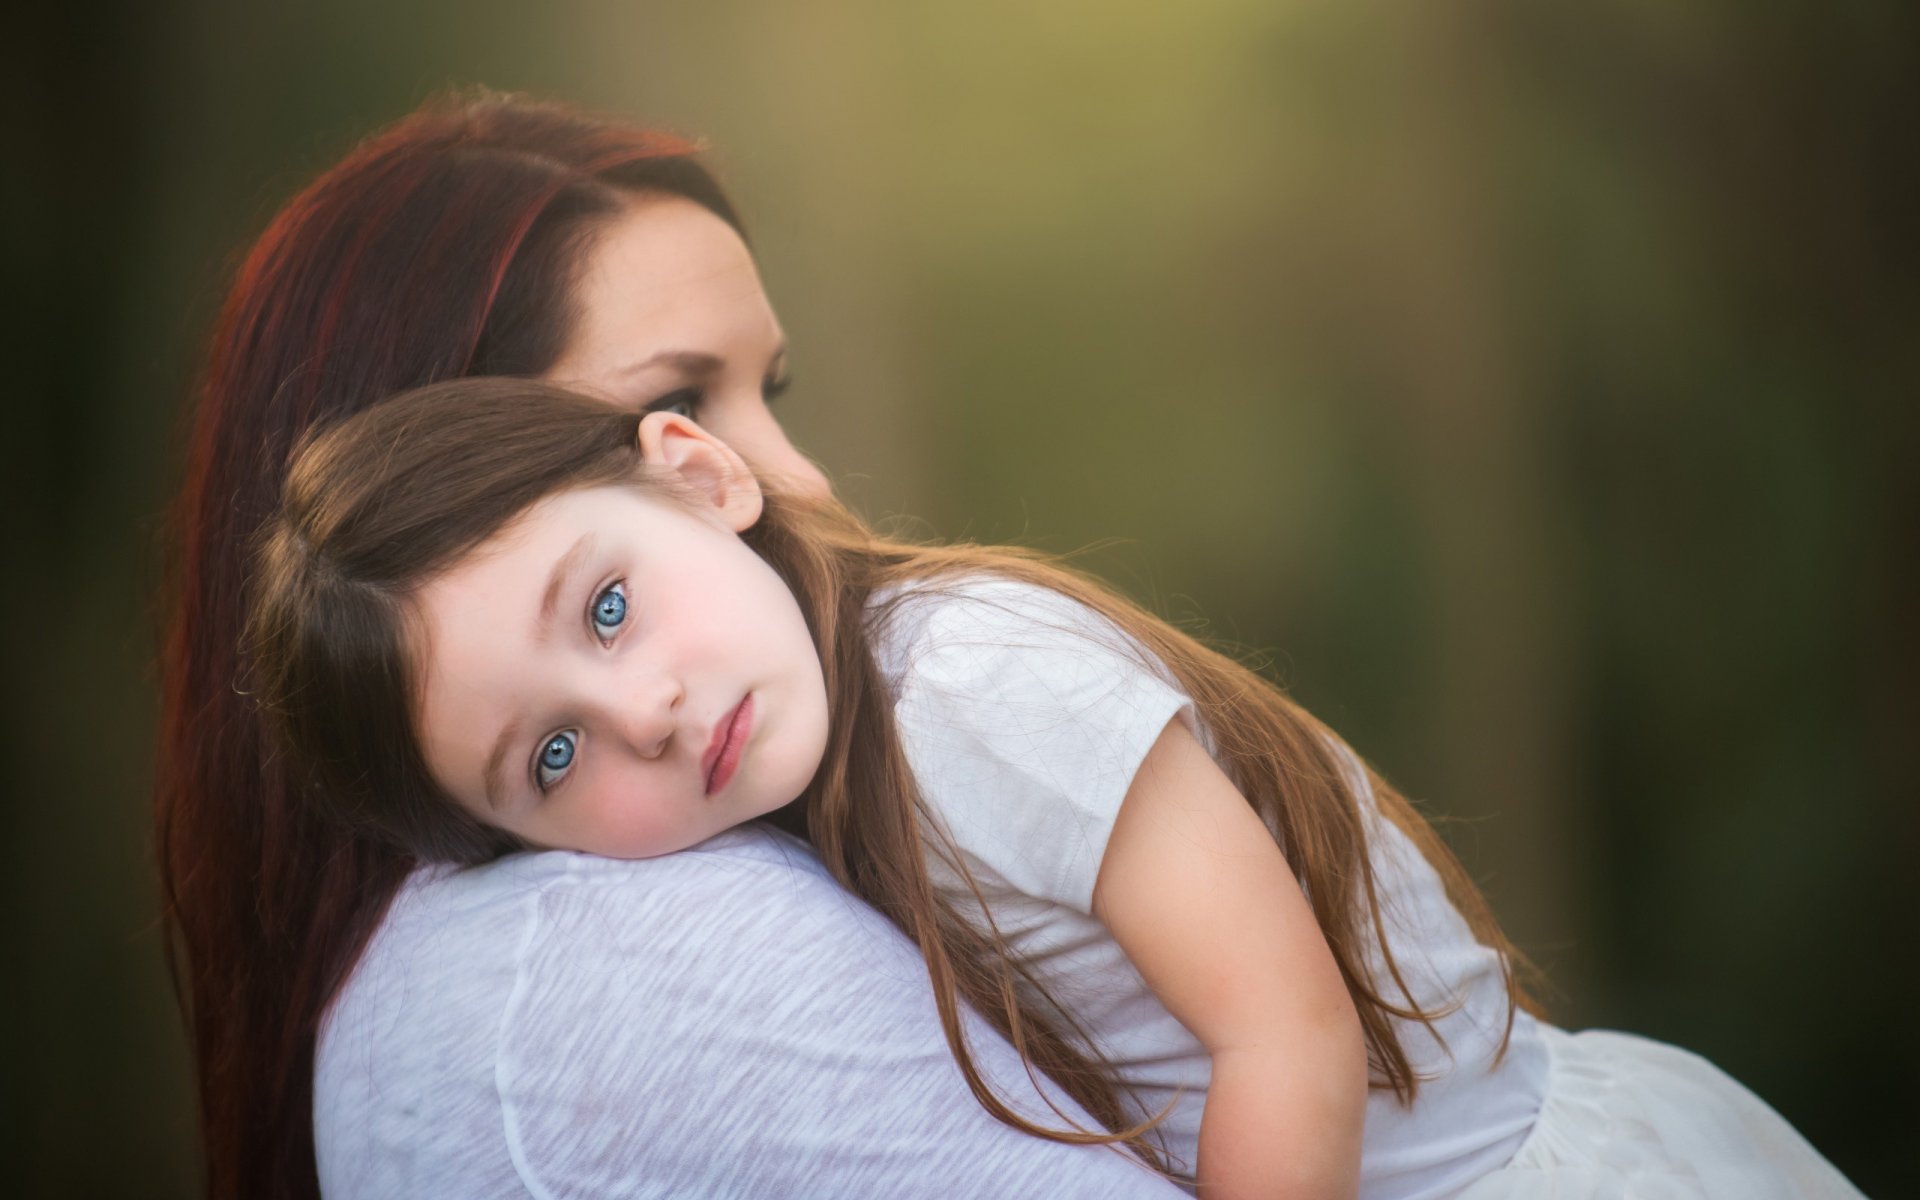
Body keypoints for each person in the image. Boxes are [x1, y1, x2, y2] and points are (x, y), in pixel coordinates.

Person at [249, 376, 1866, 1200]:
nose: (645, 713)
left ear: (701, 473)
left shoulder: (967, 689)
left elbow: (1285, 1030)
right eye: (547, 758)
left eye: (604, 606)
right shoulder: (810, 775)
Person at [157, 89, 1191, 1199]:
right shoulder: (627, 953)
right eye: (684, 390)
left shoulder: (950, 699)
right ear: (440, 465)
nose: (801, 483)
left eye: (765, 389)